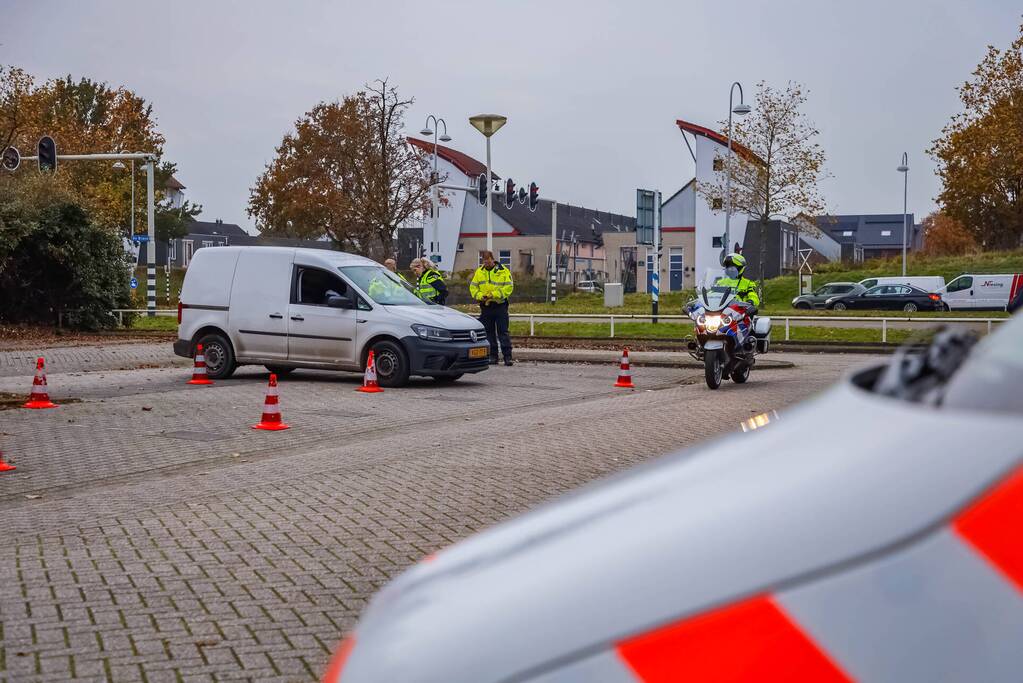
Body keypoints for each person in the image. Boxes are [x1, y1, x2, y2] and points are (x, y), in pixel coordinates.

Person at [470, 250, 514, 365]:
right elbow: (473, 288)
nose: (487, 263)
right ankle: (493, 356)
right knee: (489, 332)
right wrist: (480, 296)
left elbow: (508, 288)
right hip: (486, 306)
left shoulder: (503, 271)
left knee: (503, 332)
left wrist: (493, 294)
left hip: (500, 305)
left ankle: (508, 357)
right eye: (484, 261)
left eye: (488, 261)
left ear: (492, 259)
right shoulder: (479, 272)